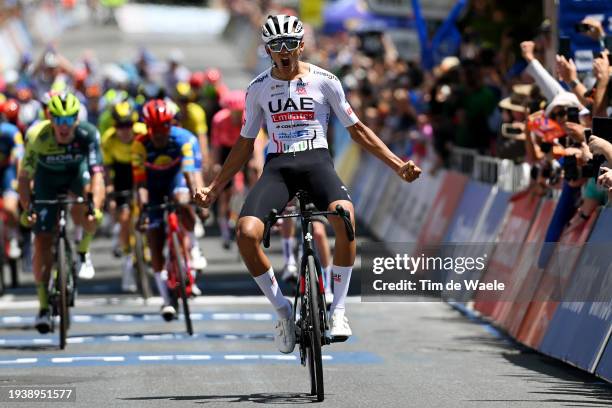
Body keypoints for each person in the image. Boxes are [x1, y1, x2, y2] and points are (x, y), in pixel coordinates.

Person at [194, 15, 421, 353]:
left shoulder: (325, 81)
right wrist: (214, 188)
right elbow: (244, 144)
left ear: (301, 46)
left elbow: (357, 129)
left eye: (289, 45)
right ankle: (283, 312)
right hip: (279, 168)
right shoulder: (257, 88)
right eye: (275, 46)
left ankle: (339, 310)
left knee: (344, 217)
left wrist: (398, 164)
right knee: (246, 233)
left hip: (317, 162)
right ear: (268, 50)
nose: (283, 51)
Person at [18, 93, 105, 333]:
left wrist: (94, 206)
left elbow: (97, 174)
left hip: (76, 175)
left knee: (88, 205)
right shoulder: (38, 136)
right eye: (59, 120)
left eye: (69, 120)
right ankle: (44, 307)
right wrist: (28, 209)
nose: (64, 126)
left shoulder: (88, 134)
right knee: (42, 243)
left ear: (77, 119)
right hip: (46, 179)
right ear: (50, 118)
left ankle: (82, 252)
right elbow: (24, 178)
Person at [132, 99, 201, 320]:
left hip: (175, 179)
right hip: (152, 185)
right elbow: (140, 184)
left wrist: (196, 198)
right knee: (153, 237)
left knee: (182, 200)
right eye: (154, 128)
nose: (159, 133)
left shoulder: (184, 139)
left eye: (164, 127)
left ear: (170, 124)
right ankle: (165, 299)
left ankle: (193, 247)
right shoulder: (139, 145)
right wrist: (143, 210)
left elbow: (190, 174)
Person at [101, 101, 146, 292]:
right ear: (114, 127)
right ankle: (127, 259)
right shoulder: (108, 140)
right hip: (121, 173)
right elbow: (107, 169)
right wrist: (109, 191)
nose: (125, 130)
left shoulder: (143, 133)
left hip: (141, 169)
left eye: (128, 125)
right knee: (125, 217)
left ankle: (149, 247)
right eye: (120, 126)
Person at [210, 90, 246, 249]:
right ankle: (224, 231)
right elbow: (216, 146)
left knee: (253, 170)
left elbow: (257, 143)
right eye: (233, 112)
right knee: (224, 192)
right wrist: (216, 164)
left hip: (244, 147)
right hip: (226, 150)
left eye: (239, 112)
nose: (237, 116)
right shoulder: (219, 120)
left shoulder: (248, 118)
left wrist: (257, 163)